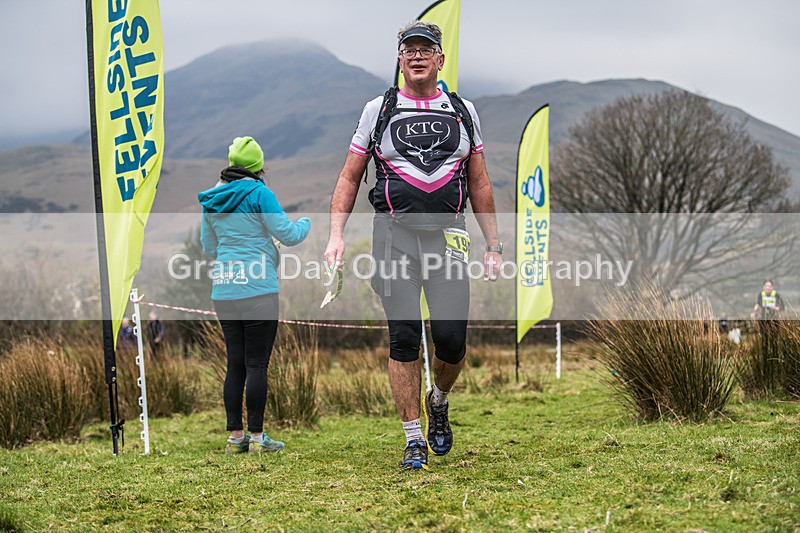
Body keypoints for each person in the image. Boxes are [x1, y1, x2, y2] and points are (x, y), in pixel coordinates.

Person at [324, 21, 502, 470]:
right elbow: (349, 176)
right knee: (403, 337)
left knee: (451, 342)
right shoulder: (379, 109)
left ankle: (438, 399)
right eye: (409, 49)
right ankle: (413, 439)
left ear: (441, 59)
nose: (417, 56)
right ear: (400, 59)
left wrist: (493, 245)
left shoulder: (463, 110)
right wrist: (335, 235)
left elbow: (480, 182)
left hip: (449, 237)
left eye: (426, 49)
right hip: (393, 235)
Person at [199, 136, 310, 454]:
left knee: (235, 363)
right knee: (257, 365)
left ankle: (236, 438)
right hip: (258, 289)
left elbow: (208, 246)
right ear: (258, 167)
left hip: (224, 289)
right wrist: (306, 222)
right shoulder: (260, 193)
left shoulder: (212, 199)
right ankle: (259, 439)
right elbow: (288, 234)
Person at [750, 279, 784, 354]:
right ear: (763, 287)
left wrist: (775, 308)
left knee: (774, 338)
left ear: (772, 287)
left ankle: (774, 353)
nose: (767, 288)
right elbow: (757, 304)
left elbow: (782, 308)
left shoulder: (777, 295)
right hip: (763, 319)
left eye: (769, 286)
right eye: (766, 286)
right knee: (764, 338)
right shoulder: (761, 295)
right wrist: (753, 313)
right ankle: (765, 353)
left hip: (774, 319)